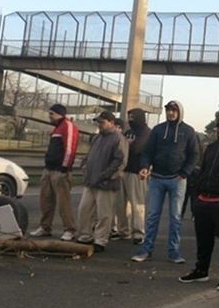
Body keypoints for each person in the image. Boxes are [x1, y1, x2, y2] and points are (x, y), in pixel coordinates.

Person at [179, 113, 219, 291]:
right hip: (203, 201)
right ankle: (201, 270)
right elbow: (203, 171)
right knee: (203, 239)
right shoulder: (211, 148)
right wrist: (197, 193)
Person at [132, 100, 199, 263]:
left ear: (179, 112)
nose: (171, 113)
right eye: (168, 110)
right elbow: (147, 151)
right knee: (153, 215)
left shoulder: (188, 131)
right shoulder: (158, 130)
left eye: (174, 110)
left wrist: (184, 173)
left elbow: (194, 154)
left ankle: (173, 251)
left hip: (177, 180)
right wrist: (144, 166)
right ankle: (146, 249)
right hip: (156, 179)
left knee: (175, 217)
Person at [76, 111, 128, 252]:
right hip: (91, 181)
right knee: (84, 210)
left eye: (102, 122)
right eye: (98, 122)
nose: (99, 125)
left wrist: (106, 175)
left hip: (106, 183)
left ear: (111, 123)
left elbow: (120, 161)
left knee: (104, 214)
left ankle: (100, 240)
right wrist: (84, 167)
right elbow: (89, 155)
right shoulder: (97, 138)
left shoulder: (118, 138)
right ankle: (85, 236)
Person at [30, 104, 79, 241]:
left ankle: (69, 229)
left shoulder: (67, 126)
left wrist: (65, 167)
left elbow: (70, 147)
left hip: (60, 171)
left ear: (59, 114)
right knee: (45, 200)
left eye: (51, 114)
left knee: (63, 203)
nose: (49, 116)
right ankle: (45, 227)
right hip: (49, 169)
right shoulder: (57, 128)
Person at [111, 109, 150, 244]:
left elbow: (137, 148)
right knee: (121, 204)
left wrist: (126, 144)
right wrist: (127, 144)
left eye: (133, 117)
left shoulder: (146, 132)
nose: (130, 119)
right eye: (129, 117)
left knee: (137, 204)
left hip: (137, 172)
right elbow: (118, 148)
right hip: (123, 170)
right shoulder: (128, 132)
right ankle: (124, 231)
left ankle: (139, 233)